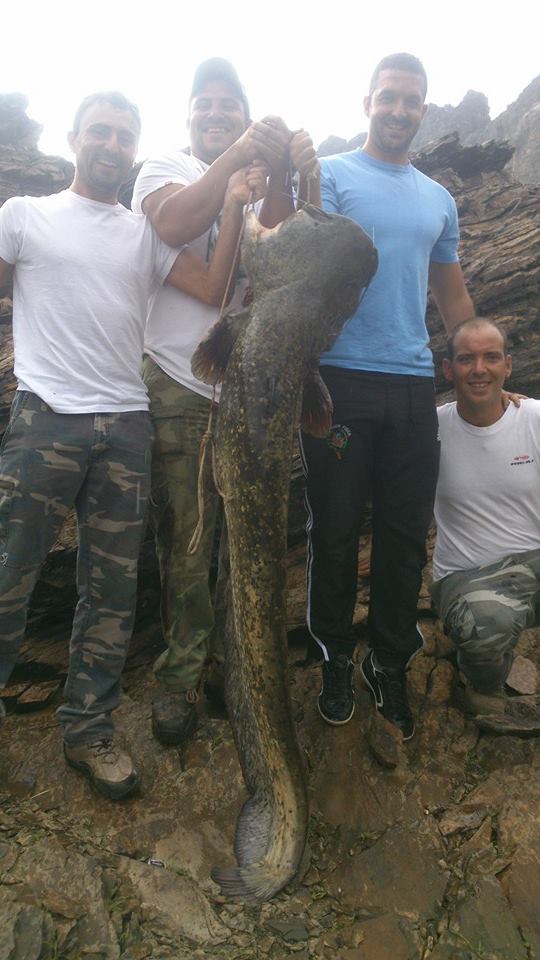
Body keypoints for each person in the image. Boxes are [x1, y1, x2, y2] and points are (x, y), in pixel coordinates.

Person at [0, 90, 265, 798]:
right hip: (45, 418)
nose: (112, 145)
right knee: (9, 576)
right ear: (74, 138)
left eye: (124, 135)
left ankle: (89, 730)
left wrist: (236, 203)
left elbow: (212, 288)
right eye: (101, 133)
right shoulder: (24, 216)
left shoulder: (144, 234)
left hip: (126, 422)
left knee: (110, 593)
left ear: (136, 145)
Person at [132, 58, 310, 747]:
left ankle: (228, 672)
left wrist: (288, 178)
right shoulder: (163, 166)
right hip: (179, 381)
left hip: (247, 390)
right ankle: (179, 677)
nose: (215, 115)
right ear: (189, 117)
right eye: (204, 105)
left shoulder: (260, 179)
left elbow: (284, 261)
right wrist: (238, 166)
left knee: (245, 539)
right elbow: (178, 228)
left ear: (245, 112)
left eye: (228, 107)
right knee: (187, 537)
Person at [298, 52, 475, 740]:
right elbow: (323, 264)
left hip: (410, 385)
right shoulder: (334, 176)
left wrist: (476, 373)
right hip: (339, 379)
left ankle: (389, 662)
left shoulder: (439, 198)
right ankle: (335, 656)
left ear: (424, 111)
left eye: (412, 101)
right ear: (367, 101)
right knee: (336, 532)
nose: (399, 111)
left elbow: (450, 291)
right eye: (389, 98)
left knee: (404, 536)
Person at [430, 318, 540, 733]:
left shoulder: (533, 418)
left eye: (491, 357)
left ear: (508, 366)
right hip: (468, 576)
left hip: (534, 561)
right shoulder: (430, 429)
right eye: (466, 359)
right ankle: (483, 690)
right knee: (485, 625)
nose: (479, 369)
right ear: (448, 370)